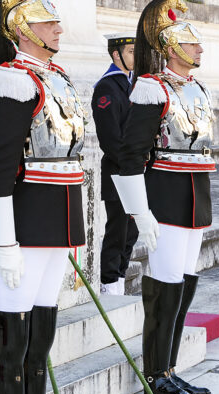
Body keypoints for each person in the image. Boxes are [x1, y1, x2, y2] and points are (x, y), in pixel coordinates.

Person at [0, 0, 85, 394]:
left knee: (39, 336)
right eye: (47, 21)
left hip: (59, 221)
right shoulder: (15, 80)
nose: (58, 27)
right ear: (22, 29)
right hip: (26, 222)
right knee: (12, 335)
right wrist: (4, 244)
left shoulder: (56, 78)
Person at [111, 0, 216, 394]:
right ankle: (155, 373)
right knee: (166, 283)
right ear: (172, 48)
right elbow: (130, 154)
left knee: (185, 283)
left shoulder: (197, 89)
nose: (200, 51)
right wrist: (140, 211)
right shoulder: (153, 88)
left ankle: (170, 368)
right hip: (166, 196)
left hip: (195, 195)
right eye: (192, 45)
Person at [93, 32, 138, 296]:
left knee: (131, 233)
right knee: (118, 231)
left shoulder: (133, 84)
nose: (135, 56)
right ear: (116, 55)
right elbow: (110, 139)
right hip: (119, 173)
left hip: (134, 173)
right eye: (131, 51)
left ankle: (119, 278)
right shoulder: (107, 87)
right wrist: (131, 165)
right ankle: (109, 284)